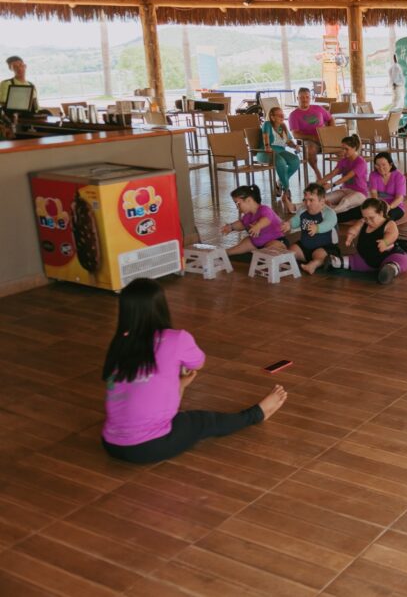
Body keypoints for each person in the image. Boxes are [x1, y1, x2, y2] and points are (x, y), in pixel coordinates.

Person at [101, 278, 288, 464]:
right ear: (160, 307)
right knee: (203, 421)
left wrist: (179, 384)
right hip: (149, 448)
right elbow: (198, 363)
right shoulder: (176, 338)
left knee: (161, 406)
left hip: (110, 444)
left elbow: (145, 387)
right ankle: (257, 414)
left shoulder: (120, 343)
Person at [338, 198, 407, 285]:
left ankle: (390, 269)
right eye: (365, 218)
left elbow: (393, 234)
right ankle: (337, 262)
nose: (368, 221)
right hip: (367, 258)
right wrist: (351, 235)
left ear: (380, 213)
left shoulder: (389, 223)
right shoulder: (364, 221)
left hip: (388, 256)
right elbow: (355, 228)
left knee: (403, 260)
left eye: (371, 218)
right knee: (355, 260)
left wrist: (385, 242)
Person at [283, 183, 339, 275]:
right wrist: (289, 224)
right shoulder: (303, 210)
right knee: (291, 250)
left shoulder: (328, 213)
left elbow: (330, 223)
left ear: (322, 201)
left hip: (324, 247)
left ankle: (314, 264)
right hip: (304, 247)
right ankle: (286, 261)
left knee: (321, 257)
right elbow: (297, 219)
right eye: (305, 200)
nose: (307, 203)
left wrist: (317, 228)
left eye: (311, 200)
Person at [220, 184, 288, 256]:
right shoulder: (247, 216)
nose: (237, 207)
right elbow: (241, 224)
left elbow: (267, 219)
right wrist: (231, 227)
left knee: (272, 247)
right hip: (257, 243)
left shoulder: (264, 209)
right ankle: (227, 252)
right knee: (247, 241)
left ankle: (264, 254)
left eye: (238, 204)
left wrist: (258, 226)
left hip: (277, 240)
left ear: (249, 200)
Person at [256, 106, 302, 211]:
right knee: (280, 162)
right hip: (265, 152)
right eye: (279, 115)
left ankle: (280, 183)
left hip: (280, 151)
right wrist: (267, 146)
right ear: (272, 117)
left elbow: (288, 142)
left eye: (283, 115)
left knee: (295, 161)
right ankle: (286, 190)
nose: (282, 117)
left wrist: (295, 146)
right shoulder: (267, 124)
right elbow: (265, 137)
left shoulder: (283, 126)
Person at [288, 87, 334, 182]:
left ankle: (344, 176)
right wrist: (312, 137)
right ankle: (318, 175)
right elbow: (295, 134)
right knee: (311, 149)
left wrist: (330, 132)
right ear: (297, 98)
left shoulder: (318, 109)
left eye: (307, 97)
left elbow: (330, 119)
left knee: (345, 148)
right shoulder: (294, 115)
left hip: (324, 138)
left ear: (310, 98)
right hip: (308, 141)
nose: (305, 99)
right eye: (302, 97)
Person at [322, 135, 369, 216]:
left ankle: (327, 214)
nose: (343, 151)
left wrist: (331, 185)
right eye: (342, 149)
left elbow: (347, 177)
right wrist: (317, 184)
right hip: (345, 190)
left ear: (354, 148)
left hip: (360, 193)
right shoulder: (344, 161)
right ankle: (296, 207)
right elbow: (333, 173)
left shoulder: (360, 162)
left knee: (345, 201)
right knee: (324, 198)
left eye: (346, 149)